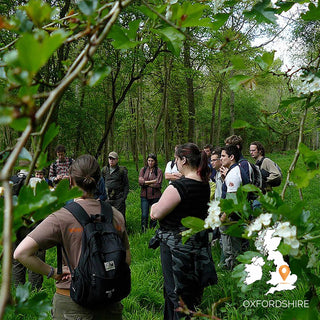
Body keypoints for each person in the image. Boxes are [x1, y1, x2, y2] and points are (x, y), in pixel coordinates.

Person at [14, 155, 130, 320]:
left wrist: (53, 272)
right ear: (99, 181)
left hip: (72, 301)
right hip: (110, 301)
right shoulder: (116, 215)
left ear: (70, 182)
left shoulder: (62, 217)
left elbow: (21, 253)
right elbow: (126, 259)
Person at [150, 143, 217, 319]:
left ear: (184, 160)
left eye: (177, 159)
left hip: (175, 246)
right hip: (196, 244)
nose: (176, 163)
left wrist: (153, 206)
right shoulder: (204, 184)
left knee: (174, 292)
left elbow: (156, 213)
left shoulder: (179, 186)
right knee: (189, 292)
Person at [219, 145, 250, 270]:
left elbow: (233, 201)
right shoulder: (235, 171)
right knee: (235, 245)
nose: (221, 159)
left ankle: (232, 271)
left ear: (231, 157)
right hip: (238, 216)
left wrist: (224, 218)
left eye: (223, 156)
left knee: (230, 247)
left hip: (232, 218)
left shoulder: (233, 174)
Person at [138, 153, 163, 232]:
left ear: (155, 161)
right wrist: (152, 181)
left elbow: (158, 184)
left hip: (155, 196)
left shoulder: (158, 171)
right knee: (144, 215)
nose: (150, 162)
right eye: (149, 160)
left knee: (154, 215)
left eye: (152, 161)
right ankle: (143, 231)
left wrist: (146, 183)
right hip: (144, 196)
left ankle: (152, 230)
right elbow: (140, 182)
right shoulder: (143, 170)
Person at [102, 151, 129, 217]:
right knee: (107, 217)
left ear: (117, 160)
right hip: (107, 199)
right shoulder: (104, 170)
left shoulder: (121, 171)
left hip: (118, 199)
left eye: (113, 159)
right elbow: (101, 183)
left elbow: (126, 185)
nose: (111, 160)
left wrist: (123, 198)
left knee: (120, 216)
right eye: (110, 159)